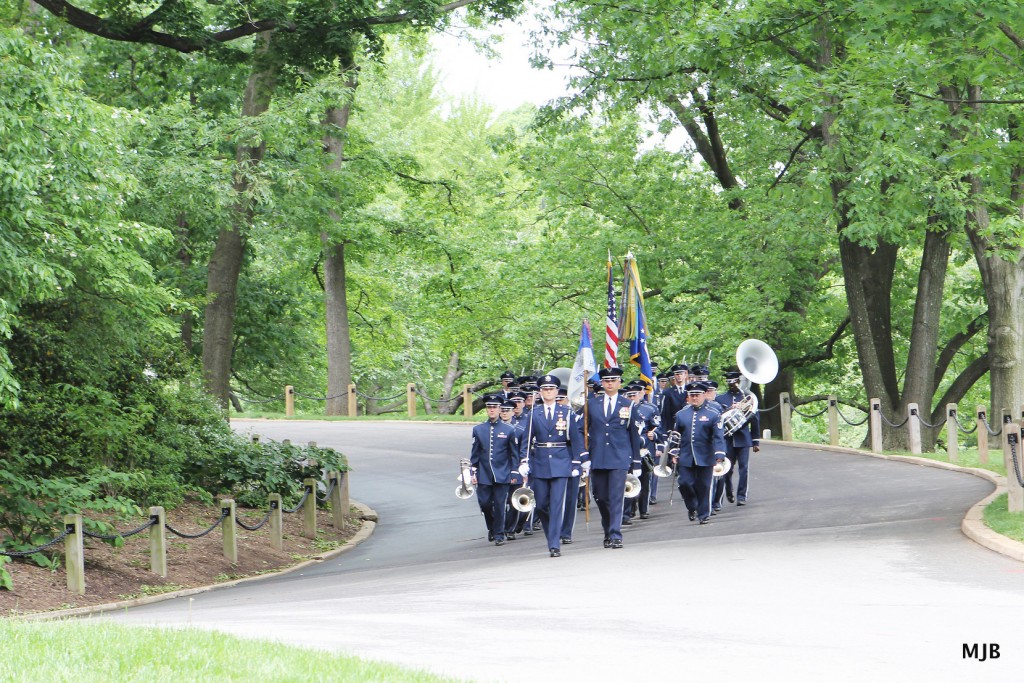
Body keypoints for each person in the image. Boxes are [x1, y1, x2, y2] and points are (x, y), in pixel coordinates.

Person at [519, 374, 585, 557]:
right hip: (539, 462)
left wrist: (577, 462)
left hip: (561, 461)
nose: (548, 392)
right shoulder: (534, 413)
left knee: (557, 504)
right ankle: (552, 536)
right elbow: (527, 439)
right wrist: (524, 461)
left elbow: (575, 439)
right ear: (540, 392)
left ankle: (554, 544)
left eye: (551, 389)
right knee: (541, 505)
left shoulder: (566, 413)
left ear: (557, 391)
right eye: (545, 389)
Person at [583, 366, 643, 549]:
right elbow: (582, 430)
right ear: (602, 383)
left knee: (616, 496)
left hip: (619, 457)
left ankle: (616, 534)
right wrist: (583, 455)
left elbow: (633, 434)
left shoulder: (628, 404)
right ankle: (608, 529)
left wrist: (636, 461)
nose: (609, 383)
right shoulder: (591, 404)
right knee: (601, 497)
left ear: (619, 382)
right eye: (606, 381)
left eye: (613, 380)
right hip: (598, 456)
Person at [469, 394, 521, 545]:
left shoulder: (509, 429)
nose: (491, 410)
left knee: (499, 504)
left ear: (499, 409)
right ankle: (491, 527)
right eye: (489, 407)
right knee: (485, 504)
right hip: (484, 473)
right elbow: (475, 453)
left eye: (494, 407)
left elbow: (514, 454)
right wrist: (473, 472)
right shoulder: (478, 429)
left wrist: (514, 471)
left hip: (502, 473)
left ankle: (499, 534)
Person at [672, 382, 727, 525]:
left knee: (704, 486)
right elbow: (676, 435)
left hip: (705, 455)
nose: (695, 398)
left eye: (697, 395)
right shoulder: (681, 414)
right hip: (685, 455)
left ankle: (703, 514)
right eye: (692, 395)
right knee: (684, 483)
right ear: (688, 397)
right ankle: (692, 507)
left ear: (704, 395)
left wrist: (719, 454)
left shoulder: (713, 414)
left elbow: (718, 436)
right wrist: (674, 452)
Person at [716, 370, 761, 507]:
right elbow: (718, 418)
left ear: (738, 381)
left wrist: (755, 441)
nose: (732, 385)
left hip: (743, 438)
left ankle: (741, 495)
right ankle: (729, 490)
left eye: (735, 382)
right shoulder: (720, 398)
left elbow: (754, 418)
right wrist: (731, 409)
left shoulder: (747, 398)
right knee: (727, 469)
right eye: (730, 382)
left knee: (744, 468)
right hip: (727, 439)